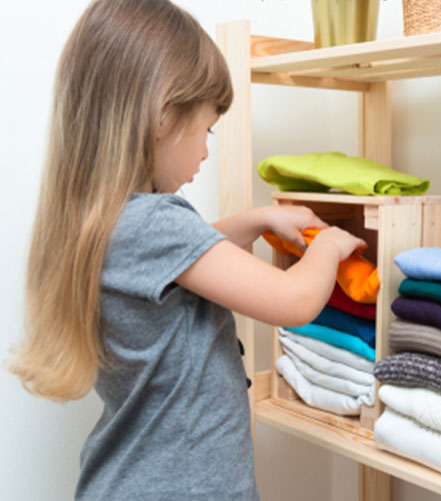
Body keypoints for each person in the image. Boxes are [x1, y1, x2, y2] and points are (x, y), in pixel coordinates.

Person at [8, 0, 366, 499]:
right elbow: (293, 300)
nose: (204, 150)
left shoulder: (107, 219)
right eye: (207, 128)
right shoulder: (156, 222)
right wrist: (329, 245)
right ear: (161, 117)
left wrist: (256, 219)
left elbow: (186, 266)